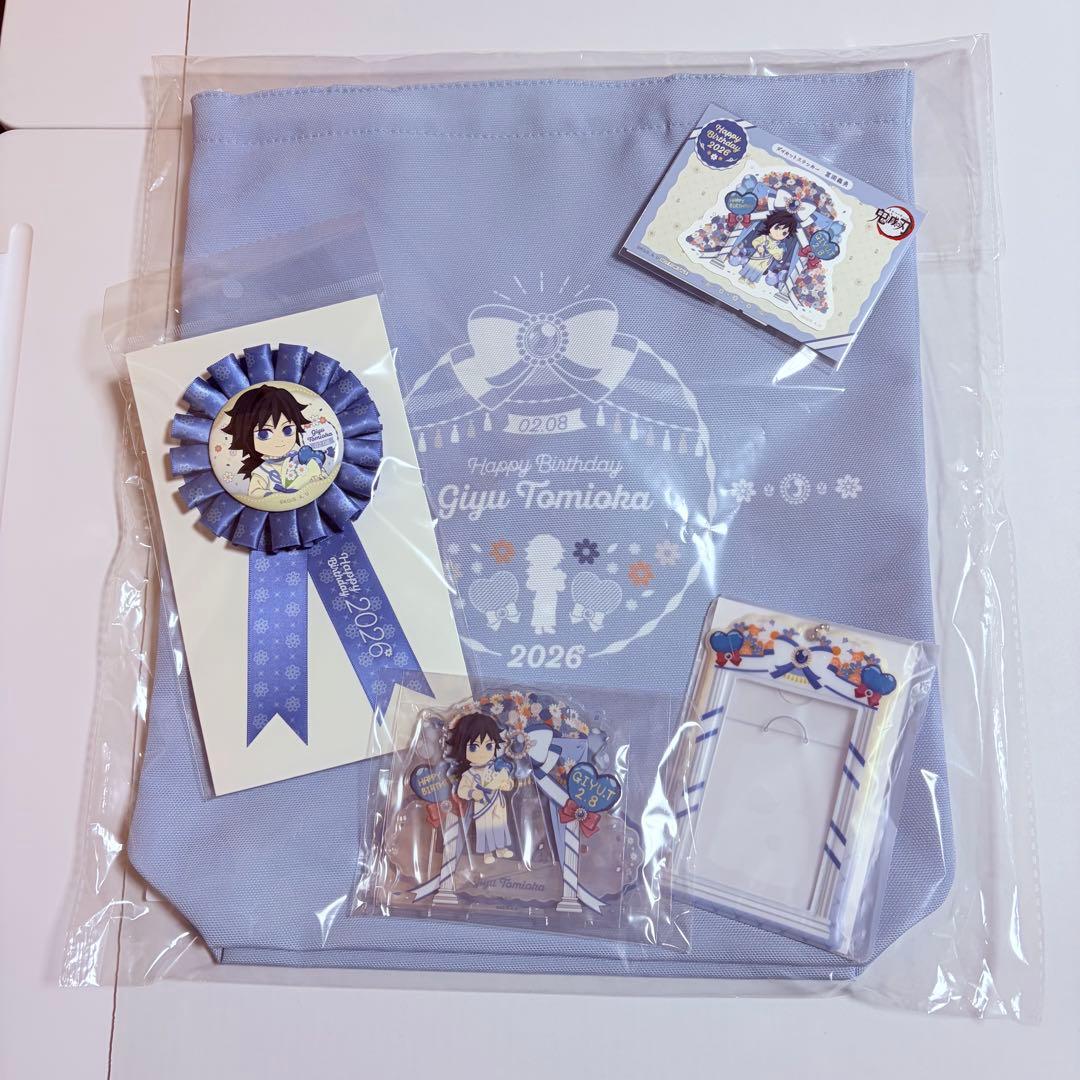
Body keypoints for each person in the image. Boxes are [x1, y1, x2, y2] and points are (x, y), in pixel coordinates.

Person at [221, 384, 331, 500]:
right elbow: (254, 493)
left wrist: (316, 479)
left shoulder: (299, 458)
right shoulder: (262, 471)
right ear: (246, 436)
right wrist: (276, 495)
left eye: (287, 430)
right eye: (264, 434)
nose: (279, 440)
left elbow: (320, 476)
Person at [446, 712, 515, 864]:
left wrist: (507, 784)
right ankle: (487, 852)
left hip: (497, 802)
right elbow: (461, 790)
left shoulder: (496, 767)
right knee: (484, 828)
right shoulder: (469, 774)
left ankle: (501, 848)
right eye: (474, 747)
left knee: (500, 825)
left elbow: (508, 781)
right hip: (482, 804)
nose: (482, 753)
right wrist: (472, 793)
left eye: (489, 746)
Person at [738, 208, 799, 284]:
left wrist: (777, 255)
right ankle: (743, 277)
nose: (779, 233)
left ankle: (751, 281)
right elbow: (755, 241)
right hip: (757, 257)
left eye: (784, 233)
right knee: (750, 266)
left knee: (759, 271)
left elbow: (779, 256)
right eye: (777, 228)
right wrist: (759, 246)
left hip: (765, 262)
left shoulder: (780, 245)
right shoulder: (765, 237)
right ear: (771, 224)